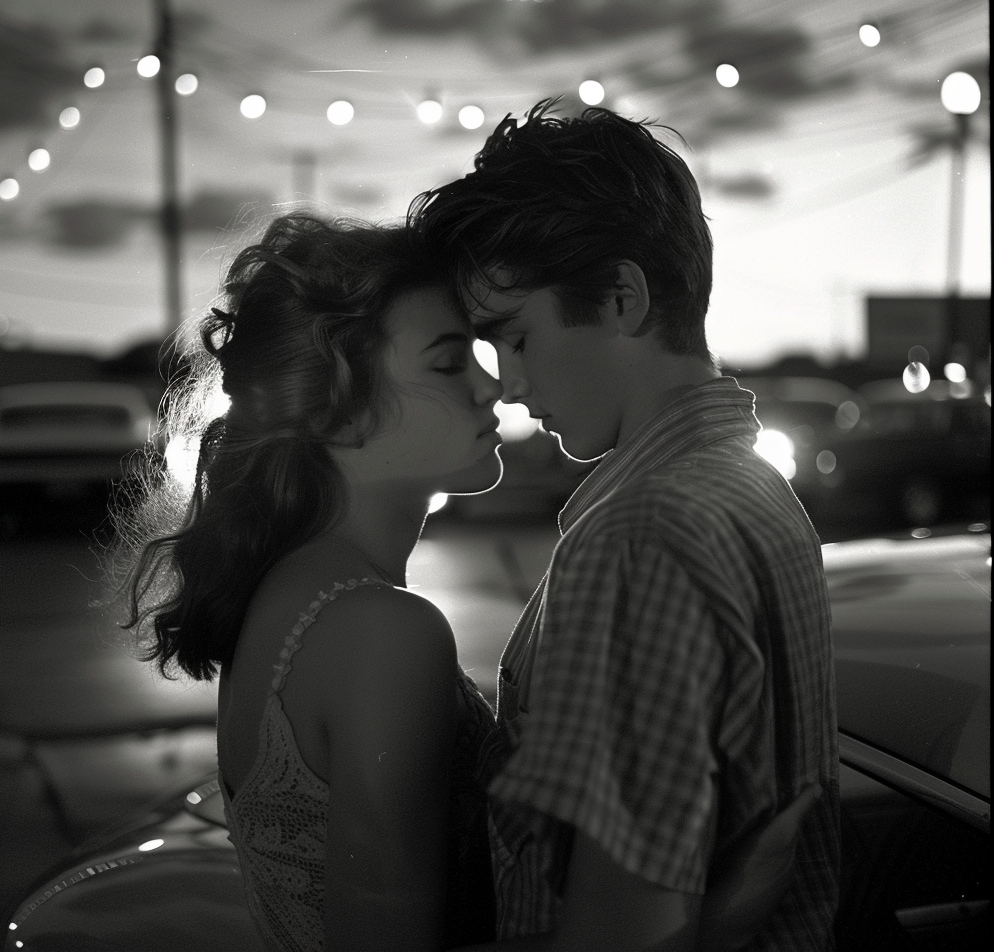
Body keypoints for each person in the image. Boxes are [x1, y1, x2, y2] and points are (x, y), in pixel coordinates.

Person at [409, 99, 840, 951]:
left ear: (620, 297)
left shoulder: (642, 537)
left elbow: (620, 933)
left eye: (518, 338)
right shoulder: (749, 487)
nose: (509, 385)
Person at [111, 213, 504, 951]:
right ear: (335, 407)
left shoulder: (295, 590)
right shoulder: (381, 631)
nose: (496, 387)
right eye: (451, 363)